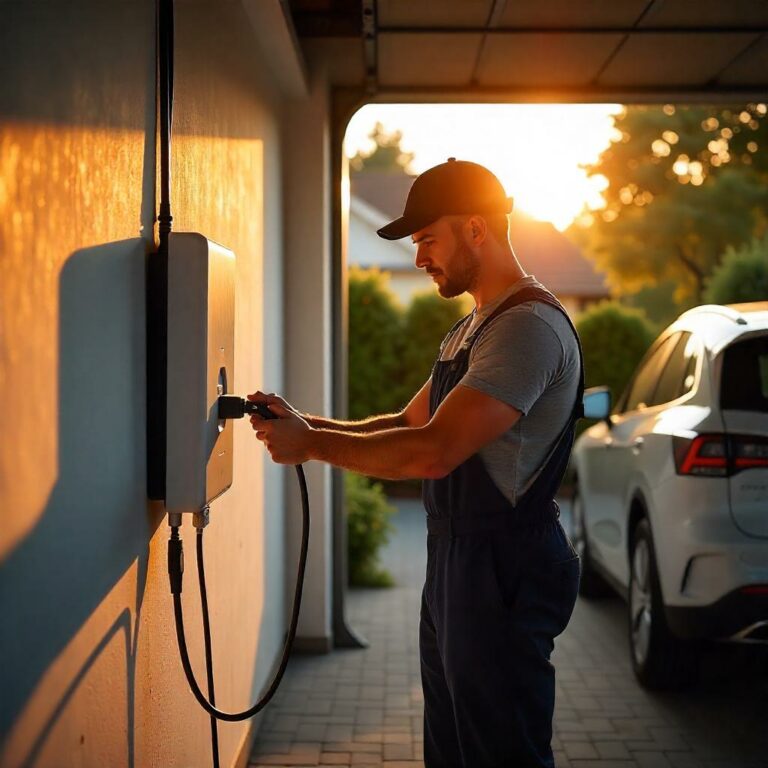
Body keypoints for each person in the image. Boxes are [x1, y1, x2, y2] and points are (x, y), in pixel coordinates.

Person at [248, 158, 584, 767]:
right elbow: (407, 424)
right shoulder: (470, 329)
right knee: (452, 746)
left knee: (500, 752)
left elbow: (433, 452)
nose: (419, 256)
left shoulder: (527, 329)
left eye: (428, 238)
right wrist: (304, 424)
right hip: (457, 559)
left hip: (504, 564)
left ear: (476, 229)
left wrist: (312, 446)